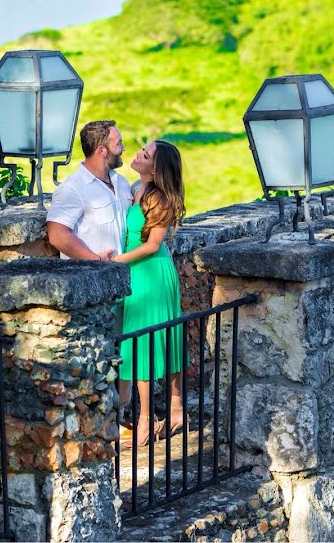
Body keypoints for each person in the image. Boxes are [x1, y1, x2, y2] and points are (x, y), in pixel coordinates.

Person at [112, 140, 186, 447]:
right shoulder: (133, 188)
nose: (137, 154)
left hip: (151, 272)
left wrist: (114, 262)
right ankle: (153, 414)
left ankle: (159, 413)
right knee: (137, 344)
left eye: (145, 155)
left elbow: (153, 245)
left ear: (155, 168)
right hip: (135, 272)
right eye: (142, 149)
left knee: (154, 340)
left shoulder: (160, 199)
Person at [46, 120, 133, 261]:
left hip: (122, 276)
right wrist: (95, 260)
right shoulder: (72, 188)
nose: (123, 148)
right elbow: (57, 235)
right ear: (102, 151)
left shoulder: (121, 182)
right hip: (88, 278)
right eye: (118, 143)